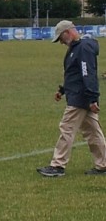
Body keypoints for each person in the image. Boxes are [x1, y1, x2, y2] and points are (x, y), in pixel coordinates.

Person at [37, 20, 106, 177]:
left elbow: (87, 73)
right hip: (82, 97)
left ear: (67, 32)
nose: (61, 42)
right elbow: (74, 75)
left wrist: (92, 98)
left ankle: (57, 165)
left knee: (66, 128)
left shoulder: (82, 48)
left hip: (80, 99)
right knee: (93, 132)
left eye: (60, 38)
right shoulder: (76, 48)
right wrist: (62, 90)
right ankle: (103, 164)